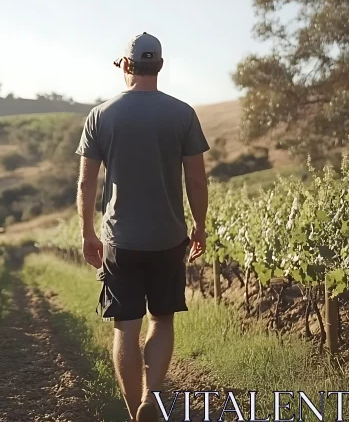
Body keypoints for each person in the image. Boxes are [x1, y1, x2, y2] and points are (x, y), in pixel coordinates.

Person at [74, 32, 209, 422]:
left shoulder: (101, 115)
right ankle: (153, 394)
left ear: (127, 66)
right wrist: (199, 226)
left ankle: (137, 412)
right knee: (162, 319)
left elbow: (86, 183)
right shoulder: (182, 114)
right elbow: (197, 181)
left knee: (125, 328)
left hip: (122, 239)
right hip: (169, 238)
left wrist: (87, 233)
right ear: (160, 66)